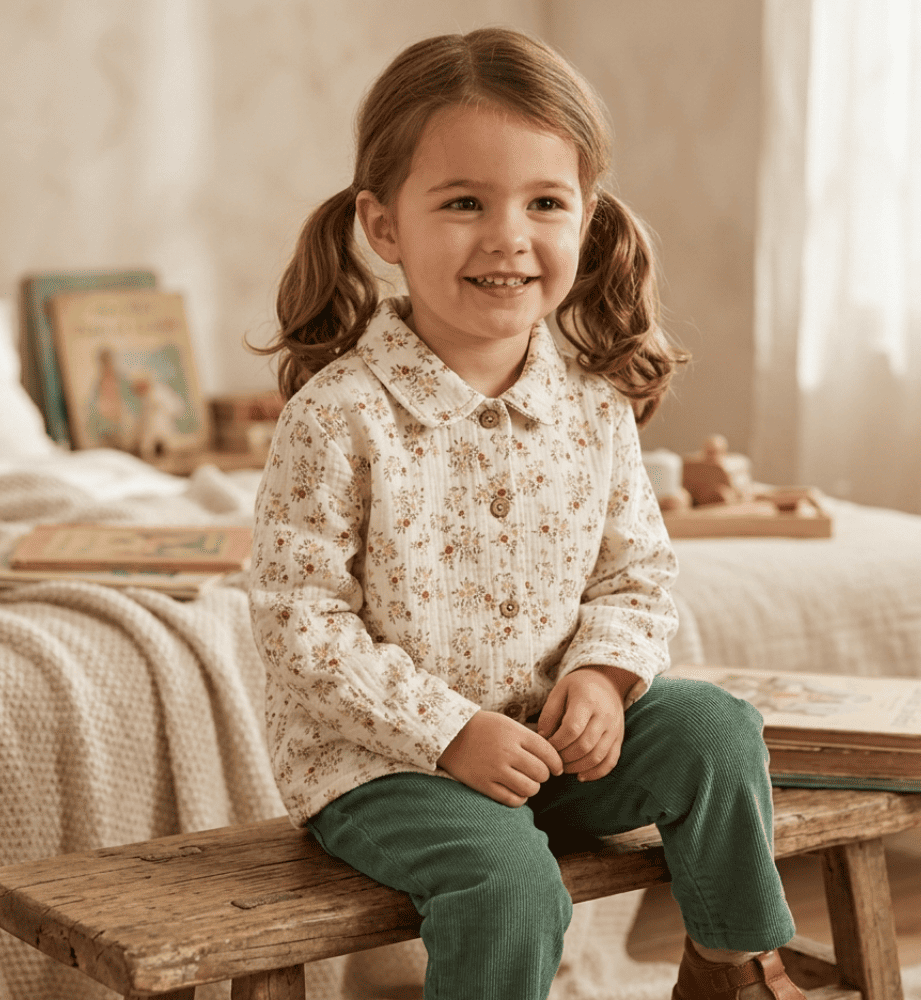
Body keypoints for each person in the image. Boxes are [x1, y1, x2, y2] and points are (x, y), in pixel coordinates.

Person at [248, 27, 805, 1000]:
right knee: (511, 884)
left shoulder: (592, 404)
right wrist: (452, 730)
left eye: (544, 202)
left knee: (717, 730)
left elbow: (636, 573)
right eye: (463, 203)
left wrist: (601, 674)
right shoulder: (337, 417)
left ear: (585, 218)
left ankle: (733, 968)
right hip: (388, 765)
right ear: (385, 227)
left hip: (554, 742)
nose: (508, 235)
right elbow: (303, 627)